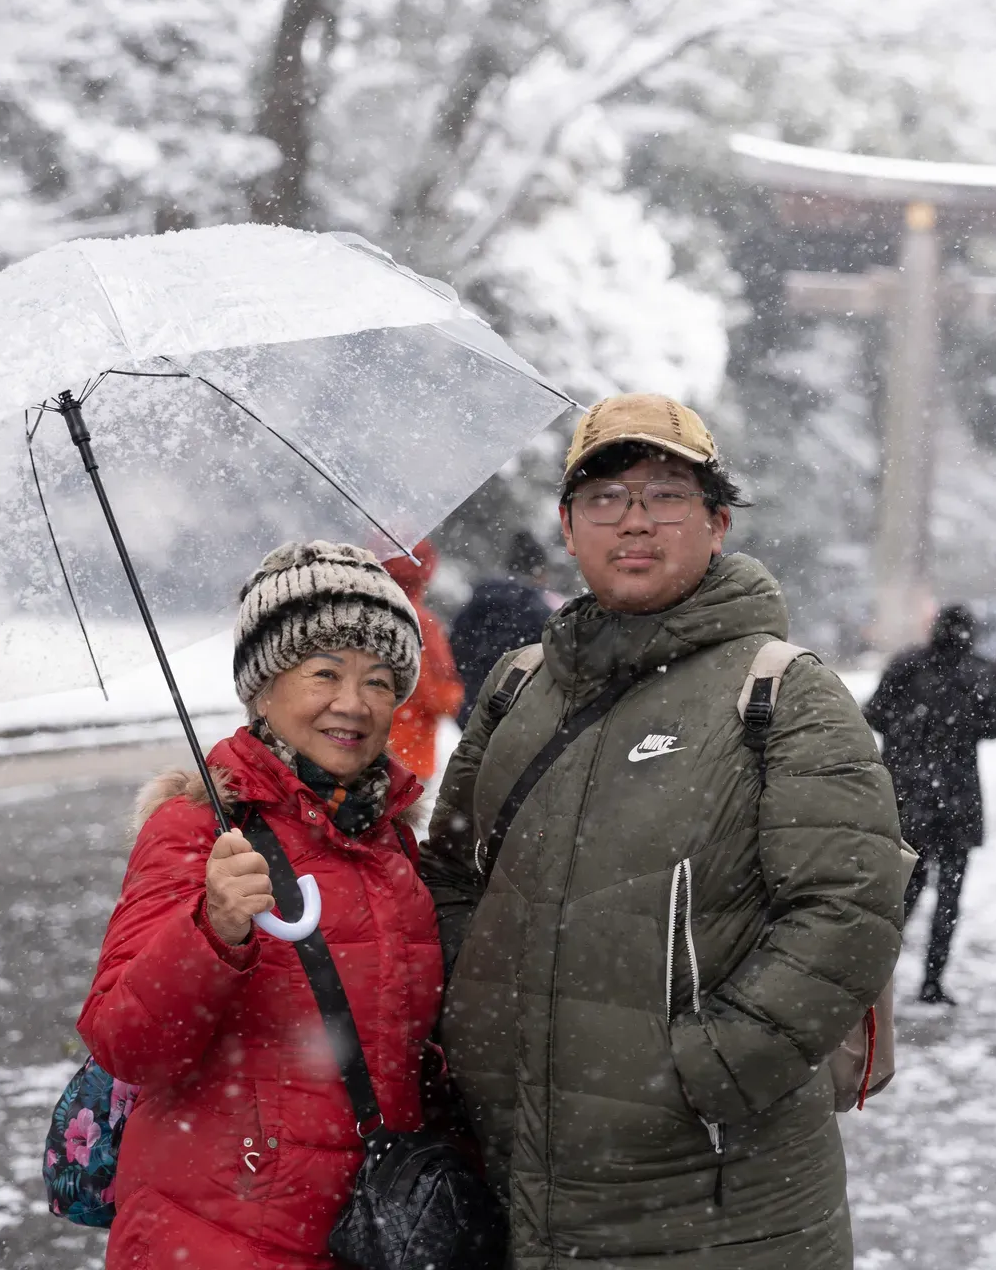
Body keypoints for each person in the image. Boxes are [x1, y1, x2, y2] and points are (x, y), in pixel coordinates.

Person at [422, 393, 906, 1270]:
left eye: (666, 495)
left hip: (720, 1200)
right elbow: (452, 873)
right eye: (604, 499)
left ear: (718, 524)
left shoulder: (782, 693)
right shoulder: (517, 688)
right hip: (521, 1169)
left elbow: (848, 908)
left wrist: (705, 1071)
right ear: (568, 529)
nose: (634, 522)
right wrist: (479, 1021)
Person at [77, 541, 444, 1270]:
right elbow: (125, 1042)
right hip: (219, 1235)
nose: (355, 703)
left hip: (368, 1230)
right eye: (325, 673)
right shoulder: (198, 828)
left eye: (379, 679)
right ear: (264, 688)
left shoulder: (391, 842)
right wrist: (211, 932)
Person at [865, 603, 996, 1006]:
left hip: (909, 796)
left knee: (902, 892)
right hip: (958, 799)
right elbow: (995, 725)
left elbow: (873, 714)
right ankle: (932, 982)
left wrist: (908, 737)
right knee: (950, 895)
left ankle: (877, 979)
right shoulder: (980, 672)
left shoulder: (906, 665)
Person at [447, 530, 557, 719]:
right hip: (513, 714)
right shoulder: (540, 614)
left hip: (466, 707)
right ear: (538, 572)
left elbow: (453, 648)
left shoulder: (480, 600)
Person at [383, 540, 463, 780]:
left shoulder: (362, 613)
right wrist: (455, 693)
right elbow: (439, 699)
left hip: (365, 752)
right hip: (408, 759)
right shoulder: (422, 625)